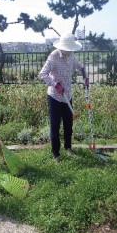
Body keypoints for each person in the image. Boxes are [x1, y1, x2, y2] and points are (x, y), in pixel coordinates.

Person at [38, 34, 89, 162]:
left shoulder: (71, 55)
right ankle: (56, 153)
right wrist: (55, 84)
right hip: (55, 96)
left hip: (67, 95)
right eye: (68, 49)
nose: (70, 51)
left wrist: (84, 75)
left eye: (71, 49)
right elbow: (42, 74)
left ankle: (68, 147)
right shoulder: (54, 56)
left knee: (68, 123)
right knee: (55, 125)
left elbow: (80, 66)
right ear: (62, 47)